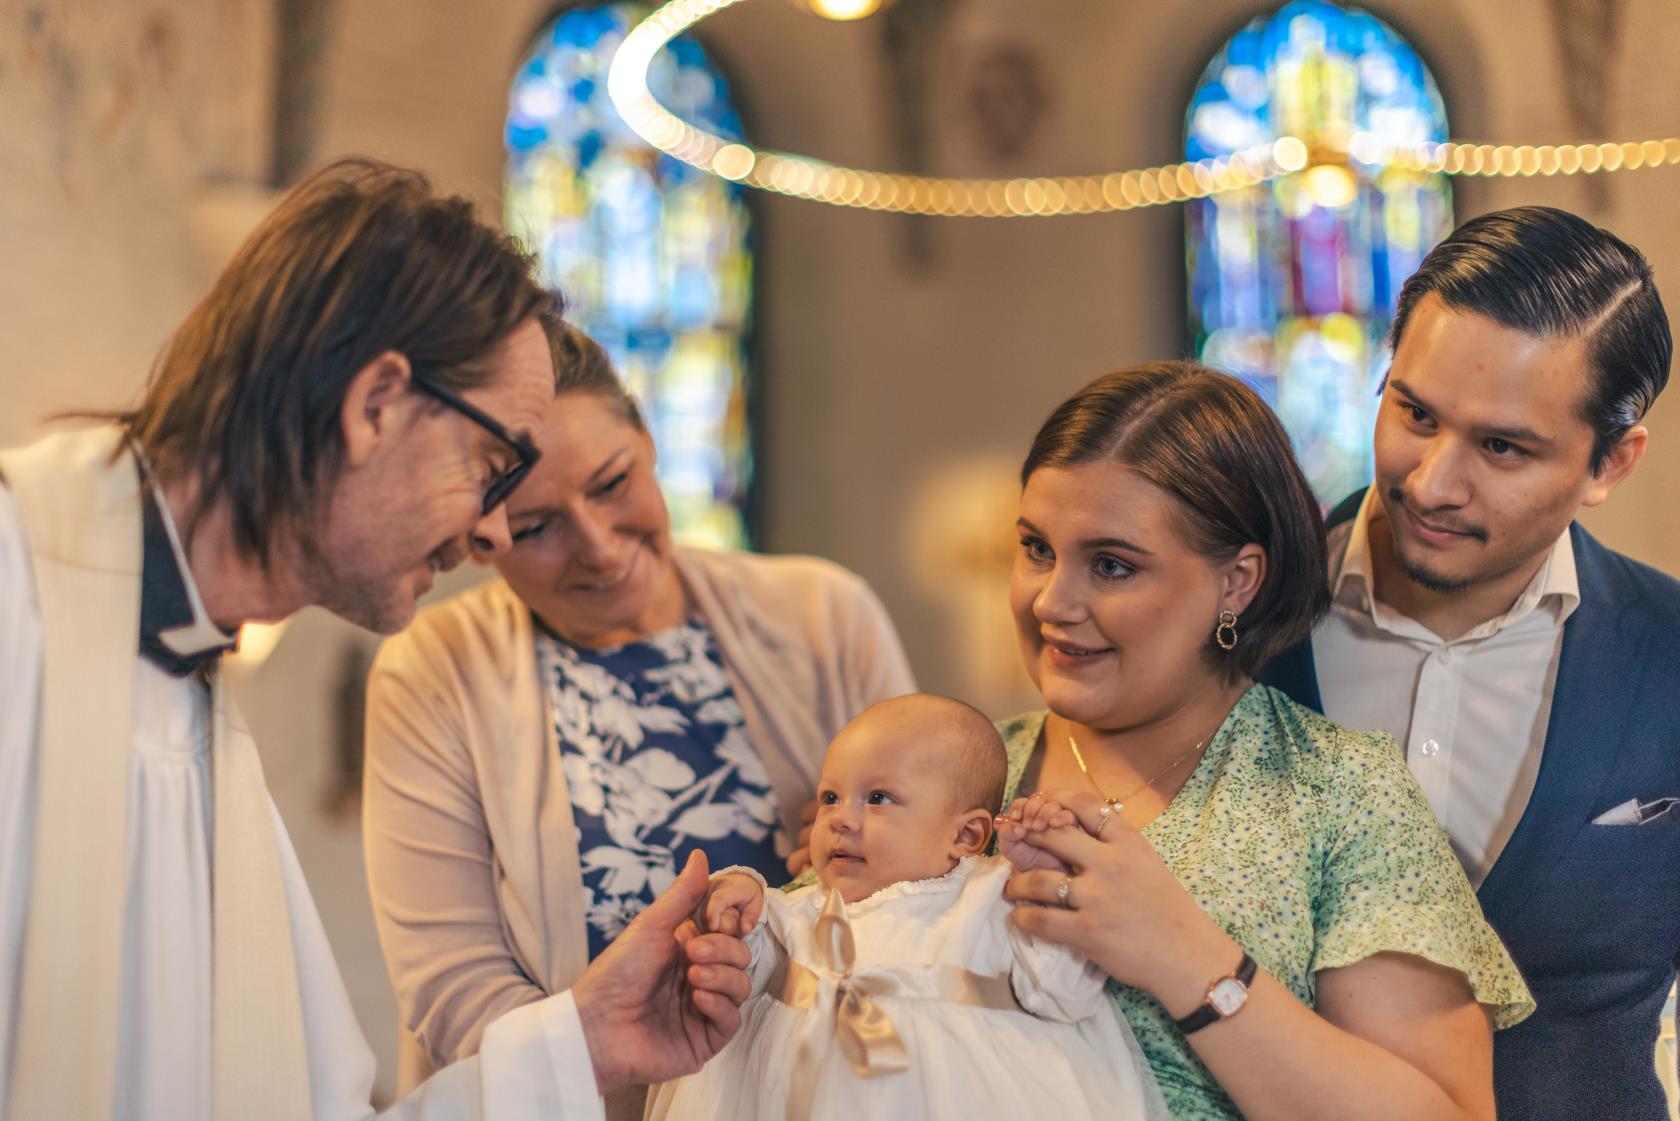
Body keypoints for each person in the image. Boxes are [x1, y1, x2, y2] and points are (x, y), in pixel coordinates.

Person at [0, 158, 754, 1121]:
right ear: (376, 405)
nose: (490, 533)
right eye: (493, 465)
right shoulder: (17, 587)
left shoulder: (206, 725)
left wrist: (585, 1041)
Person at [360, 321, 914, 1103]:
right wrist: (609, 1065)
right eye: (536, 527)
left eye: (613, 482)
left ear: (649, 441)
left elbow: (934, 867)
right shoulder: (434, 673)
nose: (597, 544)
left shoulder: (827, 616)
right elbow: (452, 988)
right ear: (479, 534)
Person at [990, 363, 1533, 1121]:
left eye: (1111, 564)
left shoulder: (1339, 792)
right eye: (1037, 548)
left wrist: (1184, 954)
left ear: (1237, 581)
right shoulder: (956, 769)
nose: (1052, 600)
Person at [1258, 206, 1680, 1119]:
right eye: (1414, 412)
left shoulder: (1670, 656)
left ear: (1610, 462)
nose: (1431, 481)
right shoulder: (1235, 623)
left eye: (1501, 447)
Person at [647, 694, 1167, 1121]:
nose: (840, 819)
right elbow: (740, 969)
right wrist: (735, 898)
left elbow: (1066, 994)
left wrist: (1045, 873)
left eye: (877, 798)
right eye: (830, 797)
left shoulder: (991, 895)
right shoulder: (802, 912)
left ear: (965, 835)